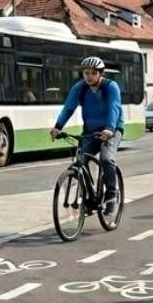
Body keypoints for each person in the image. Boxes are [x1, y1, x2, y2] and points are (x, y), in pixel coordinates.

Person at [49, 56, 123, 215]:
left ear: (101, 73)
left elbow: (114, 108)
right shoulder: (80, 87)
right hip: (90, 130)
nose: (89, 76)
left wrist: (109, 129)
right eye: (86, 73)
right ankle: (89, 197)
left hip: (112, 129)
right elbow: (69, 108)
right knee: (81, 161)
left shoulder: (111, 87)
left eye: (93, 73)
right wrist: (58, 127)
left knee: (106, 159)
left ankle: (111, 195)